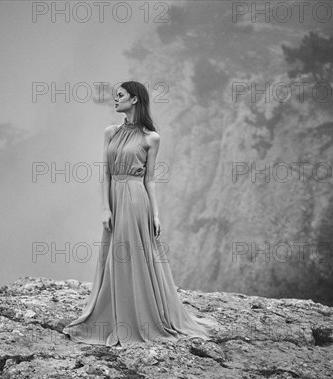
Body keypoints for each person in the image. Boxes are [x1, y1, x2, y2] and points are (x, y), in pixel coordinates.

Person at [62, 81, 219, 348]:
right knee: (115, 254)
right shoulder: (110, 132)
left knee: (134, 255)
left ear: (135, 100)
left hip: (136, 199)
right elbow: (105, 173)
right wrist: (105, 207)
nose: (115, 99)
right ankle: (111, 315)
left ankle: (141, 319)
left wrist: (156, 215)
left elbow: (150, 180)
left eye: (120, 95)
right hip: (115, 197)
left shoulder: (151, 138)